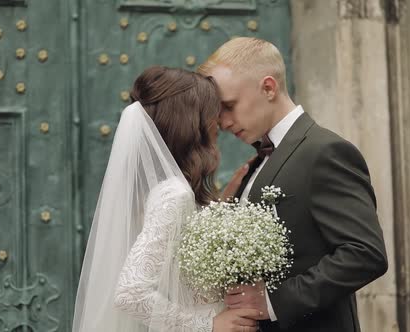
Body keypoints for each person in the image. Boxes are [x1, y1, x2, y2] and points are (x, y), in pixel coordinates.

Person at [198, 37, 389, 332]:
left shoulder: (325, 151)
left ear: (268, 87)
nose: (222, 121)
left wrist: (273, 301)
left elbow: (365, 254)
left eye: (229, 105)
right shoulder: (257, 162)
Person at [72, 66, 259, 332]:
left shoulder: (162, 189)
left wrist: (224, 204)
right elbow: (130, 293)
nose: (218, 123)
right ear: (190, 122)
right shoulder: (174, 195)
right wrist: (207, 324)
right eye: (210, 113)